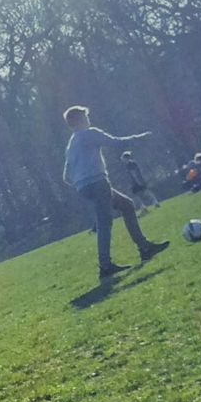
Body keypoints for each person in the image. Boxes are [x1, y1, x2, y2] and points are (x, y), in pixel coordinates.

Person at [62, 105, 170, 280]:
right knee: (104, 223)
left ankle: (144, 247)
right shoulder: (90, 133)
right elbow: (117, 142)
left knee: (127, 205)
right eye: (86, 117)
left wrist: (81, 183)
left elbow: (66, 176)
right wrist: (141, 138)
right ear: (80, 120)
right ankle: (106, 265)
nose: (88, 119)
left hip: (84, 187)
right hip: (98, 182)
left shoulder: (71, 144)